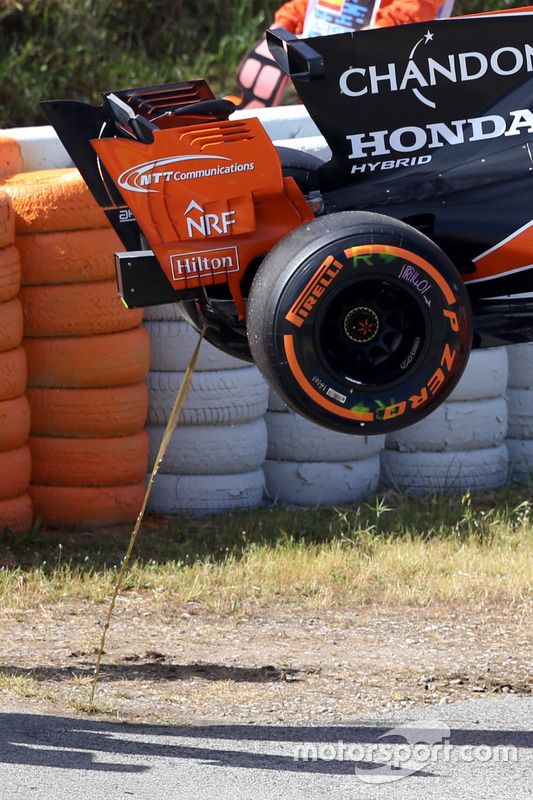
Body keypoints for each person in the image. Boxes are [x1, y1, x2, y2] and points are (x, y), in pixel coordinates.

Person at [233, 0, 446, 109]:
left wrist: (374, 31)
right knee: (272, 53)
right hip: (321, 57)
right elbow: (308, 6)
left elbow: (414, 9)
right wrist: (284, 22)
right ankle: (249, 114)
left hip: (384, 63)